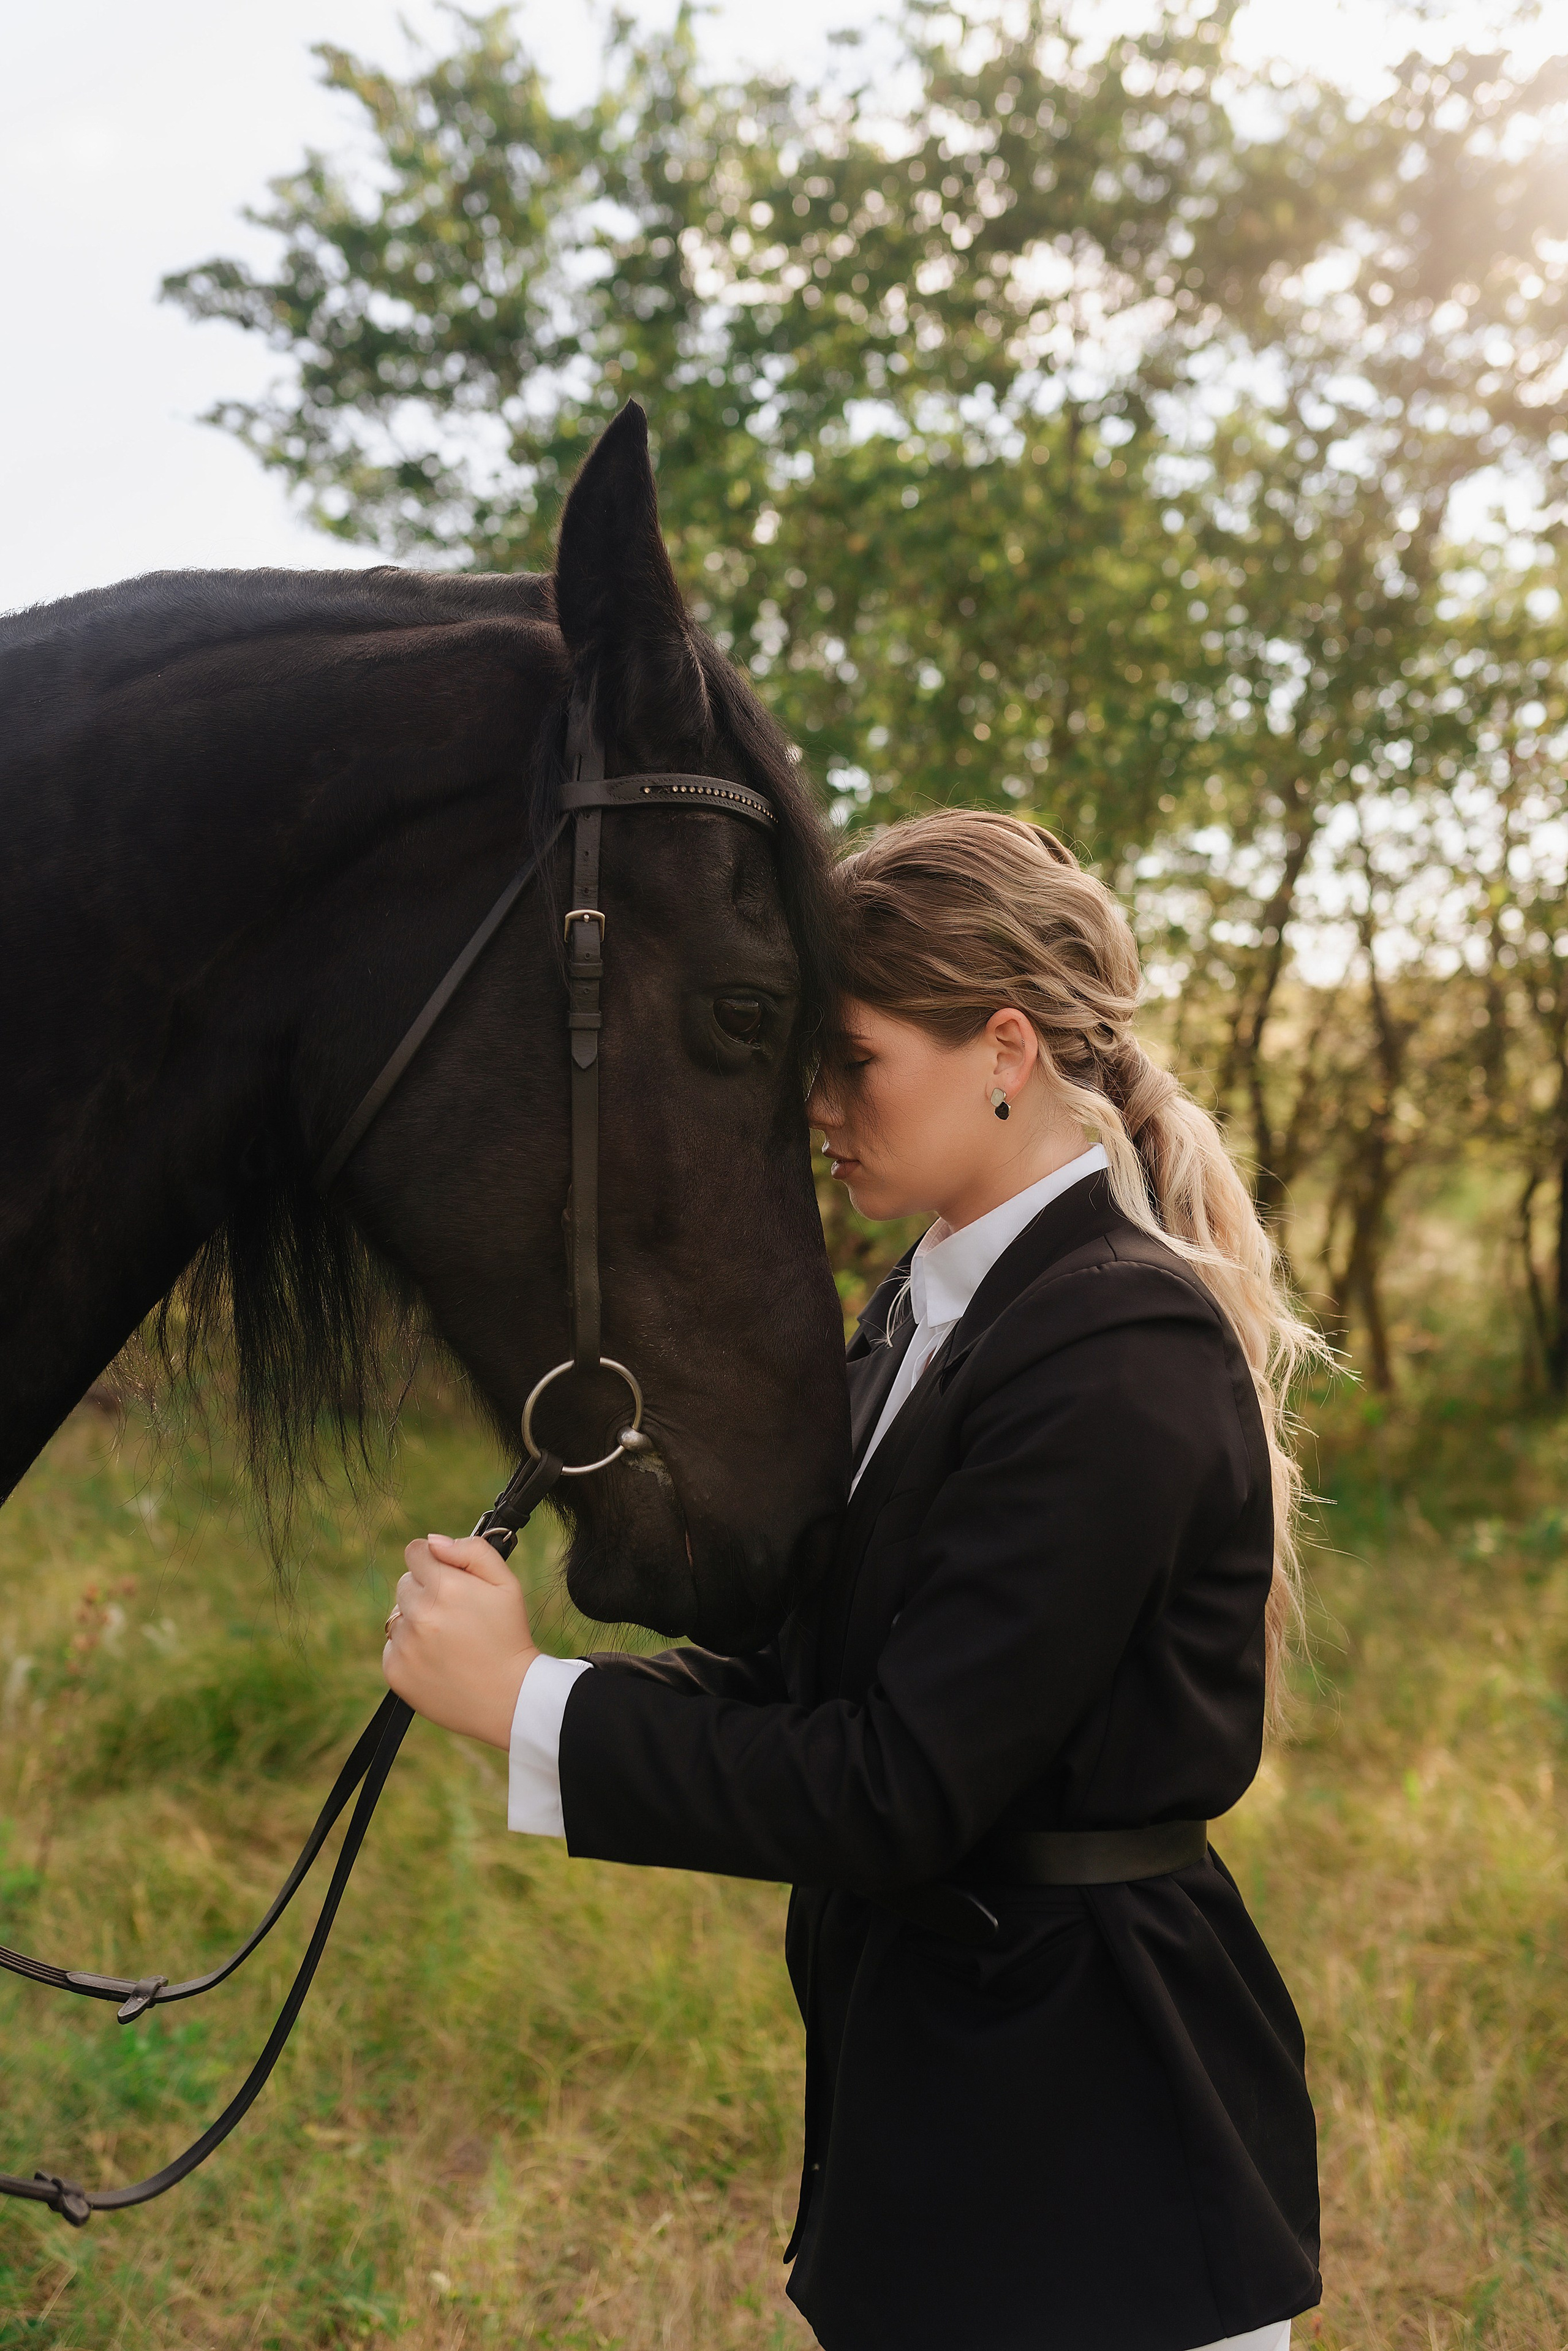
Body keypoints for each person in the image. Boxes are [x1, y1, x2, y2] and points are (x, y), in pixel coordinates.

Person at [382, 809, 1323, 2351]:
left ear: (1002, 1046)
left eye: (853, 1058)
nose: (812, 1105)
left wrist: (526, 1704)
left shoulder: (1115, 1354)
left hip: (1098, 2149)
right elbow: (815, 1677)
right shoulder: (927, 1303)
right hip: (955, 2106)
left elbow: (895, 1781)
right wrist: (526, 1680)